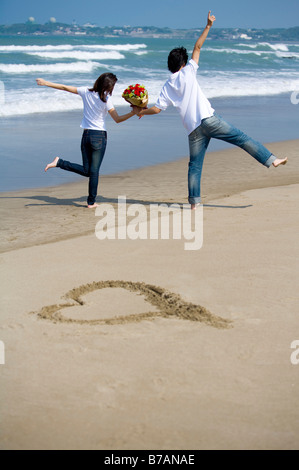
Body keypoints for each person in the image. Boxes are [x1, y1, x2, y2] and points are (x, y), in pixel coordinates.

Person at [137, 11, 288, 209]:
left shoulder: (167, 85)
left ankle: (194, 203)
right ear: (183, 63)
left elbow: (157, 109)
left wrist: (141, 112)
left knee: (195, 165)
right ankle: (271, 160)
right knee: (242, 139)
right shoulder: (189, 71)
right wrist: (208, 25)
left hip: (193, 129)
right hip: (209, 120)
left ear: (170, 66)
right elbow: (198, 47)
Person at [36, 74, 139, 208]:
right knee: (93, 172)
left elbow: (64, 87)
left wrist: (46, 83)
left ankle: (59, 162)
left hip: (85, 135)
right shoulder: (106, 99)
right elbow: (117, 119)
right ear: (109, 86)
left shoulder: (85, 91)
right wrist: (133, 112)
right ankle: (91, 202)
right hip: (99, 137)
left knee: (87, 170)